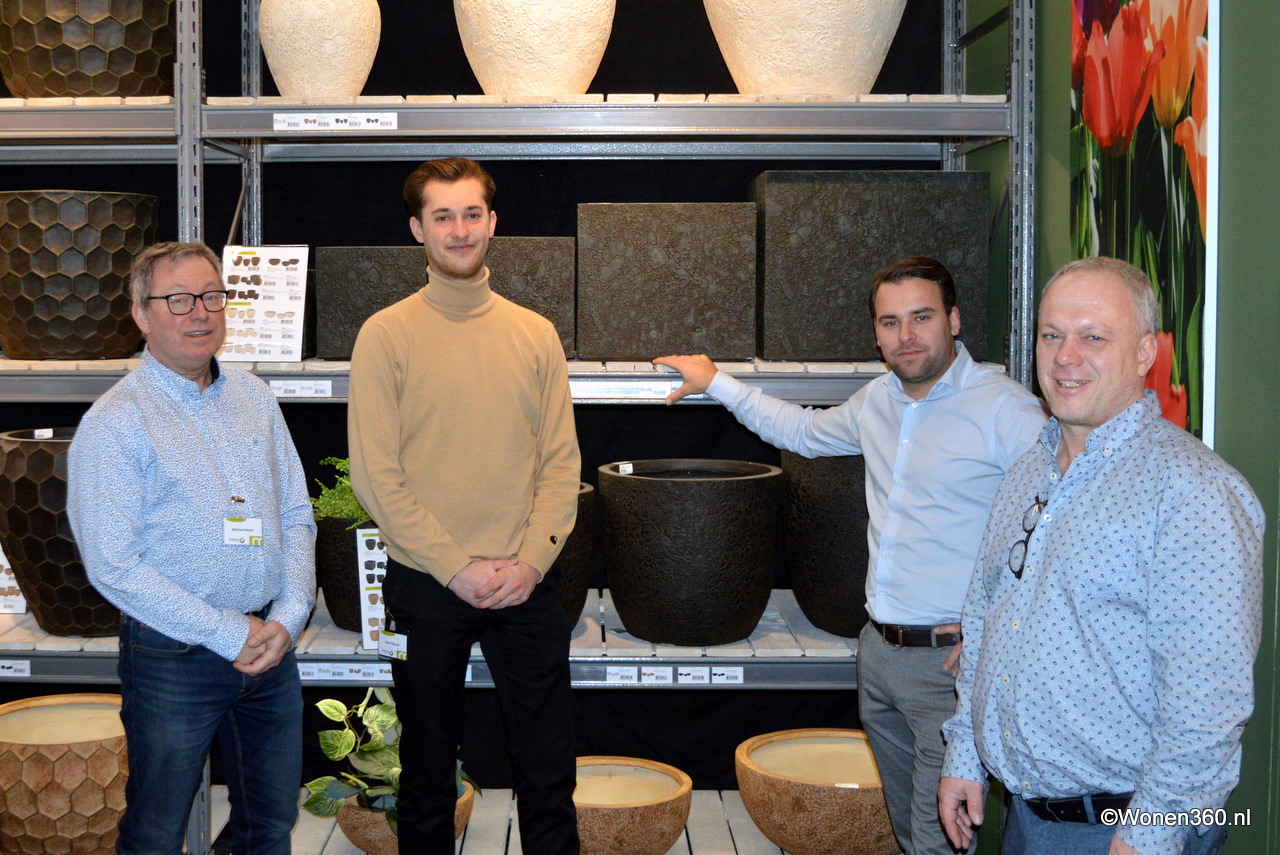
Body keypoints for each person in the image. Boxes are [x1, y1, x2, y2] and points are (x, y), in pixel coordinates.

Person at [656, 257, 1047, 855]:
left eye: (922, 317)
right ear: (876, 334)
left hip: (950, 666)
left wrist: (1000, 628)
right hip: (879, 654)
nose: (906, 335)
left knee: (934, 839)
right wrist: (716, 381)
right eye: (890, 323)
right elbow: (802, 432)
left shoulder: (1006, 410)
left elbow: (1062, 521)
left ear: (954, 320)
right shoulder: (877, 401)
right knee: (908, 831)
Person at [939, 257, 1264, 855]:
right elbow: (985, 618)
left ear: (1144, 354)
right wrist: (966, 754)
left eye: (1093, 337)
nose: (1066, 357)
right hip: (1025, 818)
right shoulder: (1027, 471)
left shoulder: (1195, 493)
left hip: (1122, 829)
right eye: (1051, 335)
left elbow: (1207, 704)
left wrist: (1148, 838)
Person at [348, 156, 581, 854]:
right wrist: (454, 566)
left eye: (471, 213)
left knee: (548, 770)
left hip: (525, 583)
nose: (459, 229)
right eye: (442, 216)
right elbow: (376, 476)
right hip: (426, 582)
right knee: (425, 772)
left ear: (493, 222)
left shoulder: (535, 334)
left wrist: (531, 563)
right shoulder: (385, 335)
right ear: (417, 229)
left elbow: (561, 464)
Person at [67, 241, 316, 855]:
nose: (200, 312)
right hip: (173, 656)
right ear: (141, 314)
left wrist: (288, 616)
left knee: (269, 825)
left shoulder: (254, 397)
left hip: (270, 647)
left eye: (211, 296)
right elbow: (113, 565)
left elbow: (295, 513)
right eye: (178, 300)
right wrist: (228, 633)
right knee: (156, 832)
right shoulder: (116, 422)